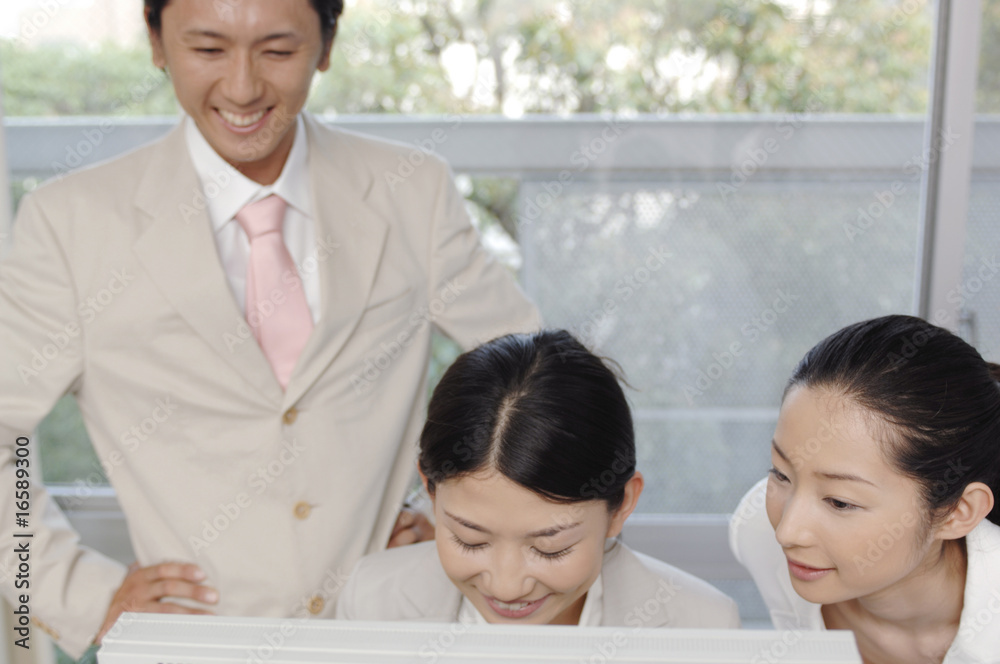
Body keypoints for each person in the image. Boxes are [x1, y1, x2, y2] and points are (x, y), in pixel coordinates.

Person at [0, 0, 540, 657]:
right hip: (193, 646)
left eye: (278, 51)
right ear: (156, 42)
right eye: (208, 49)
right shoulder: (71, 223)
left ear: (328, 44)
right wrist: (81, 597)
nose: (242, 87)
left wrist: (463, 531)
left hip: (391, 637)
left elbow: (541, 381)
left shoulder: (411, 189)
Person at [336, 330, 740, 628]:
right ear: (430, 490)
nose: (507, 587)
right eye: (470, 540)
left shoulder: (702, 626)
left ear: (622, 505)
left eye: (550, 548)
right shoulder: (373, 601)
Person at [729, 315, 1000, 663]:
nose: (786, 532)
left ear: (957, 512)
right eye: (781, 474)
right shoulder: (756, 533)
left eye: (839, 502)